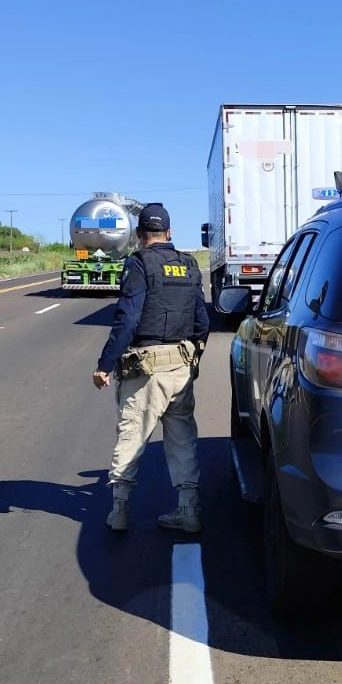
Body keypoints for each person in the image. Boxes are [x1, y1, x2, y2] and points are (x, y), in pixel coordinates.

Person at [93, 202, 210, 534]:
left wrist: (105, 364)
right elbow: (202, 320)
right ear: (169, 233)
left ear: (140, 235)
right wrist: (193, 358)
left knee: (132, 435)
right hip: (181, 367)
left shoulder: (139, 263)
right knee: (182, 438)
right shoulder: (188, 265)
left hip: (147, 367)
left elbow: (128, 318)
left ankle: (119, 511)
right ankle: (188, 510)